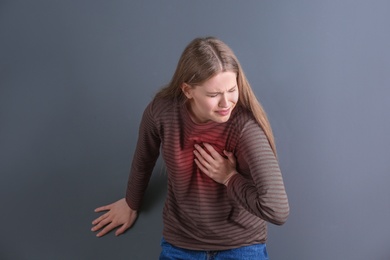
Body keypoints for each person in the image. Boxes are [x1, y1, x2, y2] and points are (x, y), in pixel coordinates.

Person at [91, 36, 289, 259]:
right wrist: (131, 202)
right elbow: (143, 160)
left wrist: (229, 178)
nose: (226, 103)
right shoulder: (161, 112)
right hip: (181, 244)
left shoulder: (245, 127)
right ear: (187, 90)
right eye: (214, 95)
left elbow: (277, 210)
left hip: (241, 245)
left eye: (232, 89)